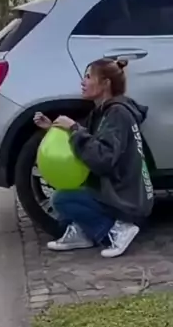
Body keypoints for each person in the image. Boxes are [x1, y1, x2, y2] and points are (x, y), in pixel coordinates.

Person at [34, 58, 154, 259]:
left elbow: (102, 158)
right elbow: (89, 141)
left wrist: (74, 128)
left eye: (89, 77)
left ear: (105, 83)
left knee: (62, 199)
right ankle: (84, 233)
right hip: (121, 194)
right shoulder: (104, 112)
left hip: (126, 201)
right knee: (66, 202)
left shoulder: (117, 113)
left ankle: (116, 230)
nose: (83, 82)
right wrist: (54, 128)